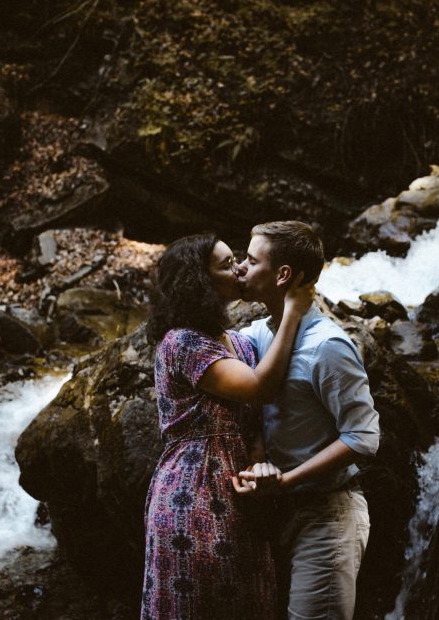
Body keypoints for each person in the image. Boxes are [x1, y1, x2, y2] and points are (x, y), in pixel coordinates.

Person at [141, 232, 314, 620]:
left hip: (241, 495)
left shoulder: (238, 341)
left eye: (238, 259)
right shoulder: (182, 342)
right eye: (225, 264)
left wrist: (257, 462)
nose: (239, 268)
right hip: (191, 493)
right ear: (199, 281)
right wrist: (292, 312)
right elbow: (259, 388)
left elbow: (252, 421)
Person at [234, 221, 381, 620]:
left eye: (250, 260)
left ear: (282, 275)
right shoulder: (256, 335)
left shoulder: (328, 346)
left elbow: (364, 437)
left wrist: (285, 481)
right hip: (274, 516)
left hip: (326, 517)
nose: (240, 269)